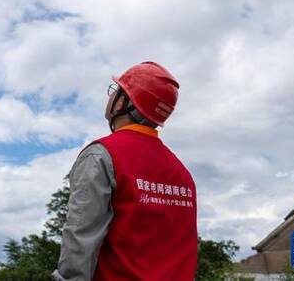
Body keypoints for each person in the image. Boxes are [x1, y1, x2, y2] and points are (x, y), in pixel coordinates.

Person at [53, 61, 198, 281]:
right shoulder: (182, 174)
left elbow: (80, 238)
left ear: (125, 102)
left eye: (116, 90)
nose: (110, 97)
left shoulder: (102, 155)